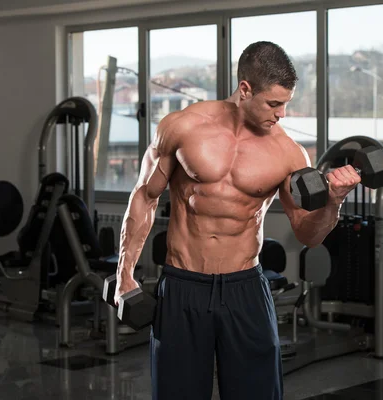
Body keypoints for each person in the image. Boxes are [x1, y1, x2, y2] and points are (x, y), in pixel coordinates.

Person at [114, 41, 361, 400]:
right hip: (184, 285)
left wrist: (332, 204)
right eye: (274, 104)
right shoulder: (181, 127)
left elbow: (307, 234)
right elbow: (145, 197)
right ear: (245, 89)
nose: (282, 114)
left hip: (245, 288)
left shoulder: (289, 152)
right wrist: (124, 274)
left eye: (286, 104)